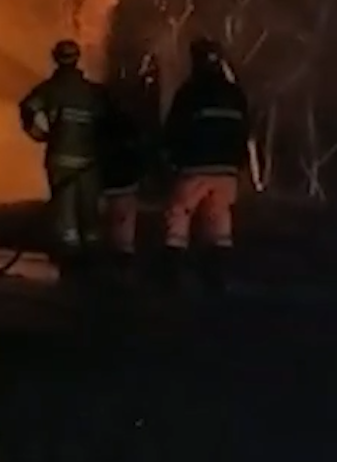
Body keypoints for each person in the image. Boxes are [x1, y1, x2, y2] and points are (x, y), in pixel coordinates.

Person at [160, 37, 251, 289]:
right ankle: (216, 275)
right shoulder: (235, 94)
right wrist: (239, 165)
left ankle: (171, 273)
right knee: (219, 219)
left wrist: (170, 158)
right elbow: (245, 131)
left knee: (179, 215)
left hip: (194, 167)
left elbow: (174, 129)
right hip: (227, 170)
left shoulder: (190, 92)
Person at [19, 40, 106, 274]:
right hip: (89, 164)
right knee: (89, 210)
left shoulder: (49, 89)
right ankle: (94, 254)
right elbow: (110, 123)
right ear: (78, 58)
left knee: (65, 211)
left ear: (55, 58)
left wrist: (38, 134)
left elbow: (27, 108)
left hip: (60, 161)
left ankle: (70, 256)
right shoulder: (94, 92)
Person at [95, 55, 157, 273]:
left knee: (101, 220)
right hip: (125, 182)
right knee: (122, 222)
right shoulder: (129, 125)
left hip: (104, 182)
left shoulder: (99, 124)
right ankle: (122, 259)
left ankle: (101, 258)